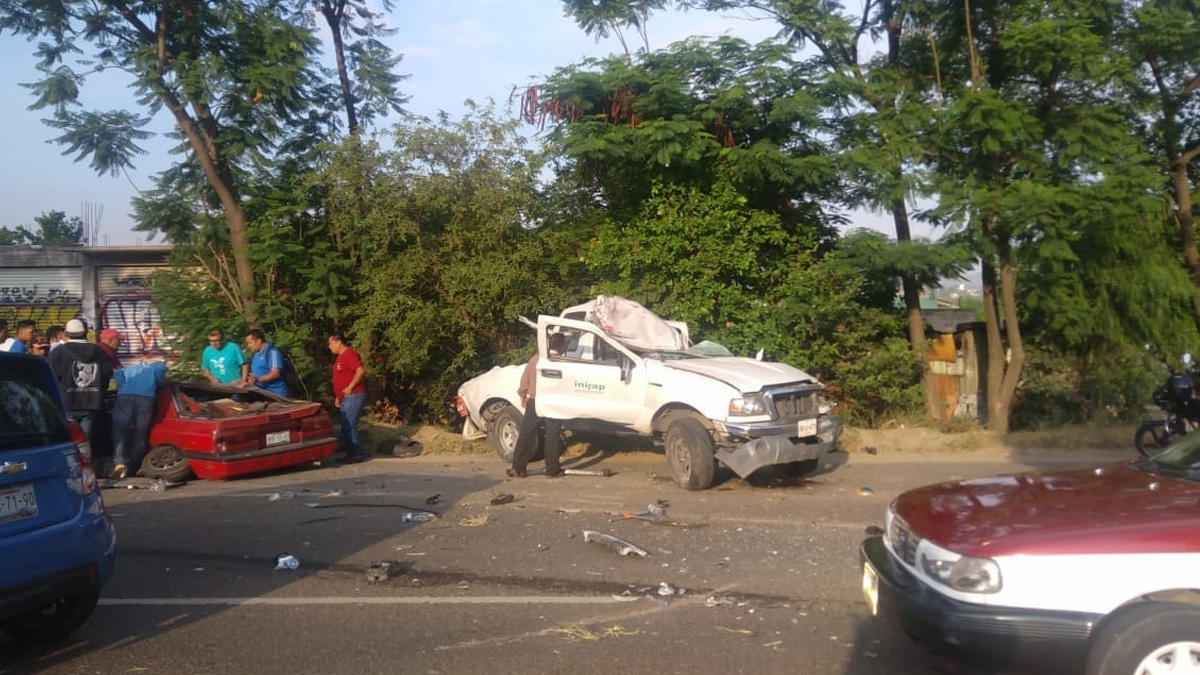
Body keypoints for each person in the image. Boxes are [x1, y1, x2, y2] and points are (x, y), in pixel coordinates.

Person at [508, 332, 567, 479]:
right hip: (553, 402)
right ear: (561, 346)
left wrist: (523, 394)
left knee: (527, 434)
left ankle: (518, 468)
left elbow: (525, 378)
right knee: (552, 435)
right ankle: (552, 469)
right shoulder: (562, 362)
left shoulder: (536, 358)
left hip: (534, 400)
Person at [48, 319, 113, 445]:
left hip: (66, 402)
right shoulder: (99, 351)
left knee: (66, 440)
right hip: (91, 402)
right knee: (83, 441)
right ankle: (83, 462)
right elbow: (106, 374)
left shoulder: (58, 352)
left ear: (66, 333)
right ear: (85, 333)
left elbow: (52, 377)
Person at [110, 360, 168, 479]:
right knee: (140, 432)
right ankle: (133, 466)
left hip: (125, 396)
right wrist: (160, 382)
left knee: (120, 429)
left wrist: (124, 386)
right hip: (146, 398)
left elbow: (117, 373)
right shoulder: (156, 366)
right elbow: (161, 370)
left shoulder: (130, 368)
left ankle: (119, 462)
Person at [328, 333, 368, 463]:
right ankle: (351, 452)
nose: (329, 347)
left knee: (349, 424)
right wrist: (338, 396)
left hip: (353, 394)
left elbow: (360, 370)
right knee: (345, 425)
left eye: (331, 343)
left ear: (339, 342)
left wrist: (350, 387)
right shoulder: (340, 358)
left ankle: (357, 453)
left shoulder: (349, 354)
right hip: (345, 396)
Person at [244, 328, 290, 397]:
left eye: (250, 343)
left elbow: (275, 373)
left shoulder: (272, 352)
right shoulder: (255, 354)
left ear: (258, 341)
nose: (249, 346)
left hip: (278, 394)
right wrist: (251, 377)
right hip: (263, 393)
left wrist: (257, 379)